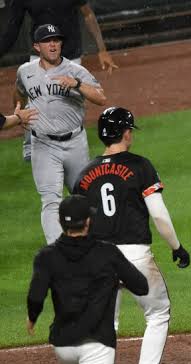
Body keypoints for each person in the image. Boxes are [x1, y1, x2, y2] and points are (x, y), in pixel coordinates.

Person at [73, 107, 191, 364]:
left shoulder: (84, 175)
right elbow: (159, 214)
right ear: (126, 133)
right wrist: (177, 247)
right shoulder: (140, 166)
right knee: (158, 313)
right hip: (135, 257)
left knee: (106, 325)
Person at [27, 195, 149, 364]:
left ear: (61, 222)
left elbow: (36, 295)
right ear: (88, 222)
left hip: (63, 346)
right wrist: (116, 280)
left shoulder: (47, 255)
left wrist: (32, 318)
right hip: (96, 343)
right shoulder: (106, 252)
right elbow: (141, 285)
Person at [15, 24, 107, 245]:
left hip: (75, 143)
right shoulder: (25, 71)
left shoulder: (75, 70)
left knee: (83, 198)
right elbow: (19, 92)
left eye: (56, 39)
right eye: (47, 41)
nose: (53, 44)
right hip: (44, 145)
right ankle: (57, 251)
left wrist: (76, 84)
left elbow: (100, 98)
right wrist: (21, 116)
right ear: (37, 47)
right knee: (50, 200)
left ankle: (92, 246)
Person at [0, 0, 118, 162]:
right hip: (39, 52)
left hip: (70, 52)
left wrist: (102, 49)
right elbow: (13, 28)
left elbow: (88, 13)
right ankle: (31, 142)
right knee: (33, 98)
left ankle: (70, 143)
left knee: (68, 101)